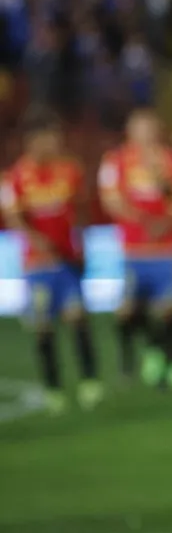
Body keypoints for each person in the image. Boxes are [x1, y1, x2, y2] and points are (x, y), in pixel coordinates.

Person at [0, 111, 102, 414]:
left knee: (76, 318)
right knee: (44, 327)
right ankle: (53, 387)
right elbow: (14, 217)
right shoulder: (16, 177)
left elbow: (80, 209)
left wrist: (81, 244)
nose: (52, 143)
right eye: (46, 137)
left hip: (67, 261)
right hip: (38, 264)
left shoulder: (70, 170)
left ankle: (89, 381)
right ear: (32, 141)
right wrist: (35, 237)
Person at [98, 108, 172, 389]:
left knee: (171, 308)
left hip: (166, 250)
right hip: (134, 250)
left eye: (150, 127)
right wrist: (144, 221)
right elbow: (111, 201)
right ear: (130, 130)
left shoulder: (171, 160)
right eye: (140, 127)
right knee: (128, 312)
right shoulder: (115, 161)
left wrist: (165, 186)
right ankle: (152, 349)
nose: (146, 133)